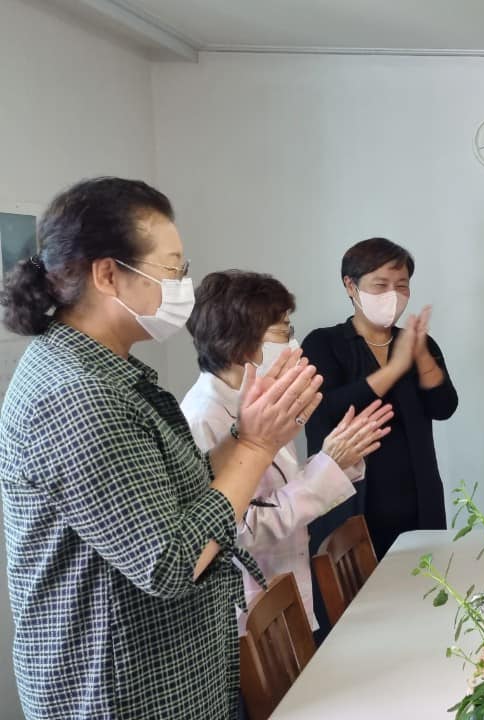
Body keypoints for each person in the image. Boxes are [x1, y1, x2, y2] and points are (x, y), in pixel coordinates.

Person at [0, 178, 321, 719]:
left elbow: (179, 494)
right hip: (119, 693)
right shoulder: (76, 394)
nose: (183, 286)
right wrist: (255, 444)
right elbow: (171, 561)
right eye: (172, 270)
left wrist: (248, 435)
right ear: (107, 274)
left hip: (168, 676)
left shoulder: (110, 372)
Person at [180, 270, 394, 635]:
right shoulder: (203, 417)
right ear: (241, 344)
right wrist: (325, 469)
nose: (294, 344)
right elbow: (236, 528)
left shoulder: (259, 401)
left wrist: (334, 459)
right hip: (248, 615)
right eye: (284, 331)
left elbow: (280, 490)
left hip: (285, 593)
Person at [303, 238, 458, 562]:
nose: (393, 294)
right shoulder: (323, 343)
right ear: (350, 285)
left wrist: (420, 355)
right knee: (354, 592)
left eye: (402, 285)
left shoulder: (418, 342)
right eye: (380, 285)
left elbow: (444, 407)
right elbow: (326, 409)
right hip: (350, 507)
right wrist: (394, 368)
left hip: (418, 502)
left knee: (425, 585)